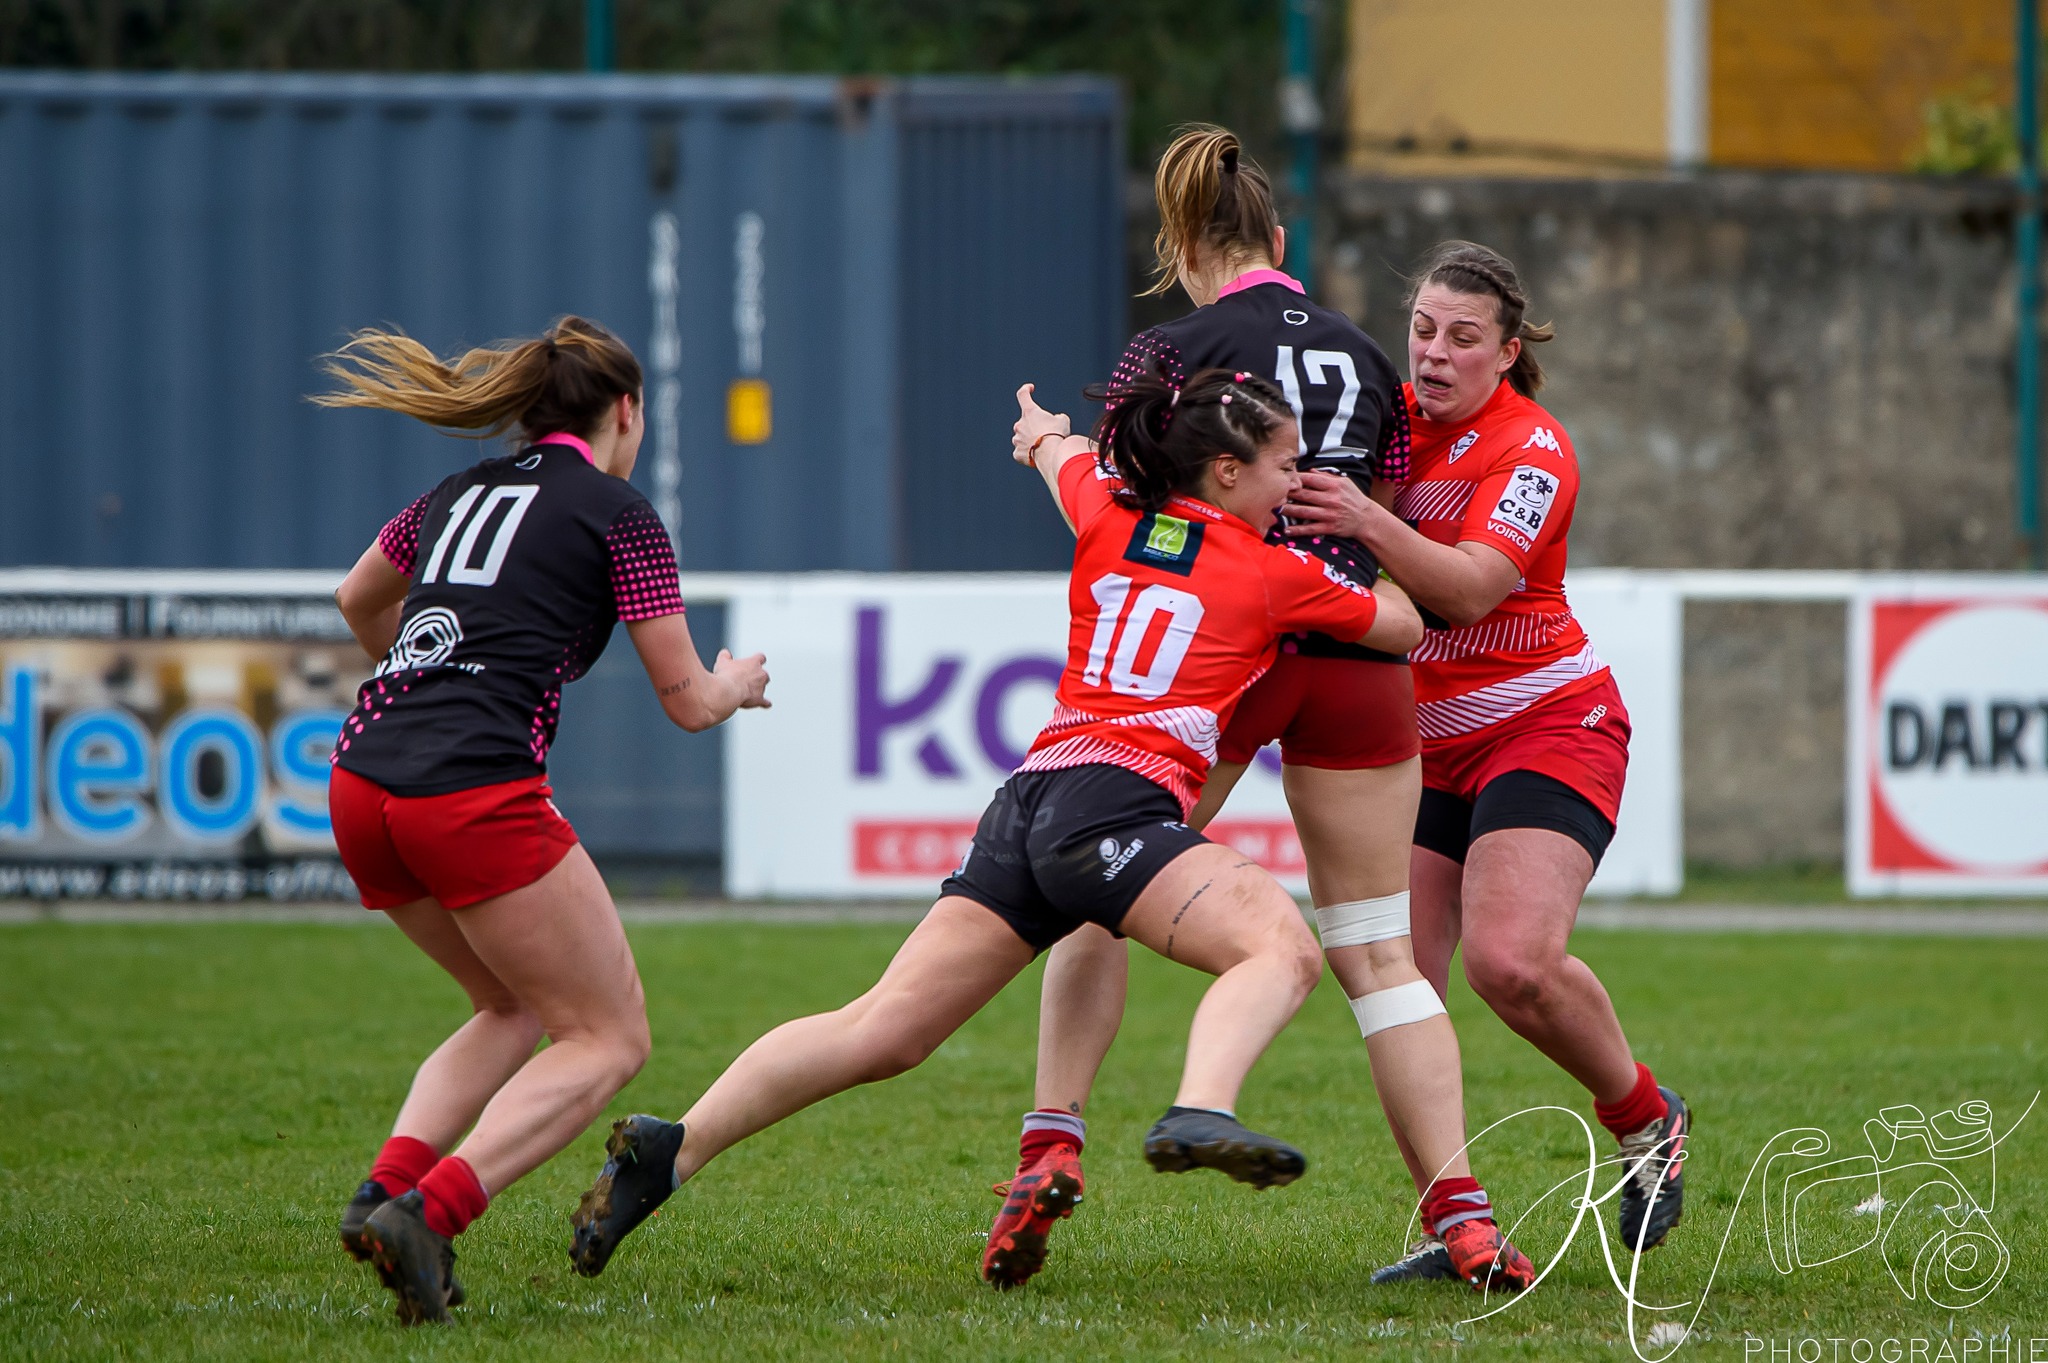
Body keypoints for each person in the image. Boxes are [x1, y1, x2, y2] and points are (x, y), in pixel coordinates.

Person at [564, 367, 1425, 1280]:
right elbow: (1404, 625)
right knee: (1281, 951)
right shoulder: (1276, 572)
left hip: (1028, 802)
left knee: (883, 1027)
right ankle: (1202, 1105)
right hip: (1116, 805)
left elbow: (1057, 453)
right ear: (1221, 471)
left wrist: (1042, 431)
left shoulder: (1106, 512)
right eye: (1286, 467)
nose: (1297, 485)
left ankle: (674, 1147)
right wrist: (1365, 525)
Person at [988, 125, 1534, 1296]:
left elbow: (1145, 541)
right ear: (1281, 243)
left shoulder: (1167, 349)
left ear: (1183, 245)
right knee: (1380, 955)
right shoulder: (1362, 360)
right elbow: (1375, 521)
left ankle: (1050, 1141)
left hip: (1222, 659)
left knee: (1094, 899)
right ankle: (1466, 1220)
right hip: (1349, 653)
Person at [316, 316, 771, 1325]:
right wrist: (736, 682)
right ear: (624, 410)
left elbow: (357, 598)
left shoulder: (455, 493)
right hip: (470, 790)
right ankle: (426, 1214)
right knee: (606, 1036)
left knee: (508, 1006)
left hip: (362, 780)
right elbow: (687, 699)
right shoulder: (617, 513)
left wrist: (428, 675)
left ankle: (380, 1193)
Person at [1280, 241, 1690, 1259]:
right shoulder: (1380, 425)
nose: (1432, 354)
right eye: (1421, 330)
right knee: (1392, 982)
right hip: (1421, 751)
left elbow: (1465, 588)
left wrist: (1364, 518)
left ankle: (1645, 1117)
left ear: (1506, 352)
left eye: (1462, 338)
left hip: (1547, 725)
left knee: (1509, 964)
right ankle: (1453, 1218)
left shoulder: (1532, 448)